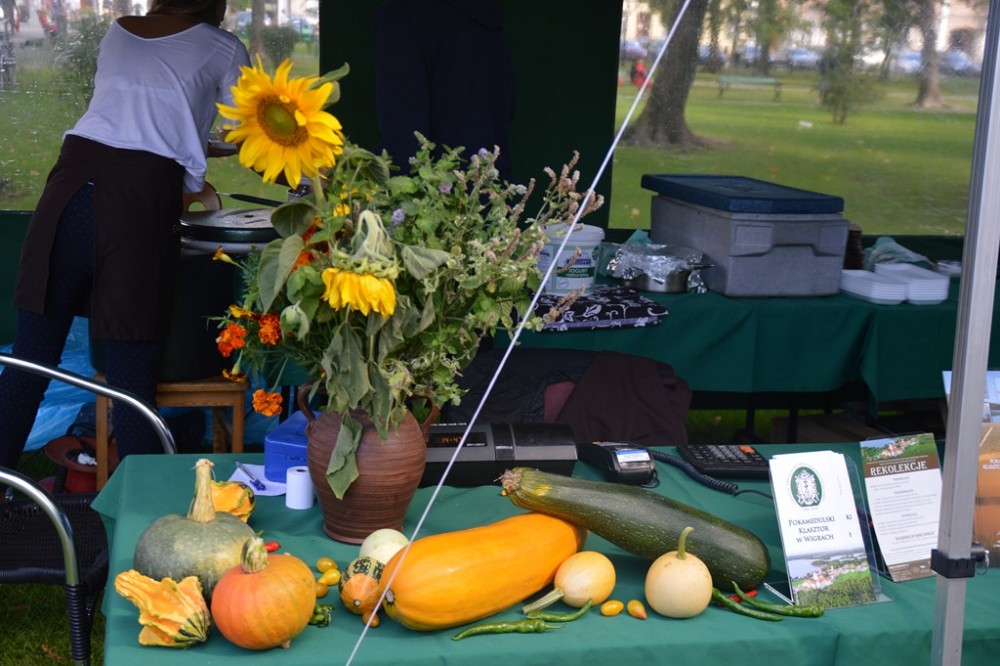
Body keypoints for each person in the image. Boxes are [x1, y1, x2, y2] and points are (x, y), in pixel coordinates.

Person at [0, 0, 251, 471]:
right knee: (131, 385)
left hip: (70, 185)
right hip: (137, 203)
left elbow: (135, 122)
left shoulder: (119, 30)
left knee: (29, 364)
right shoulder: (224, 47)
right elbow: (248, 130)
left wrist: (192, 142)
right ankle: (141, 513)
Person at [372, 0, 516, 181]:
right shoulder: (490, 20)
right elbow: (507, 108)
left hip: (439, 193)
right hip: (493, 189)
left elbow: (404, 142)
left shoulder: (402, 16)